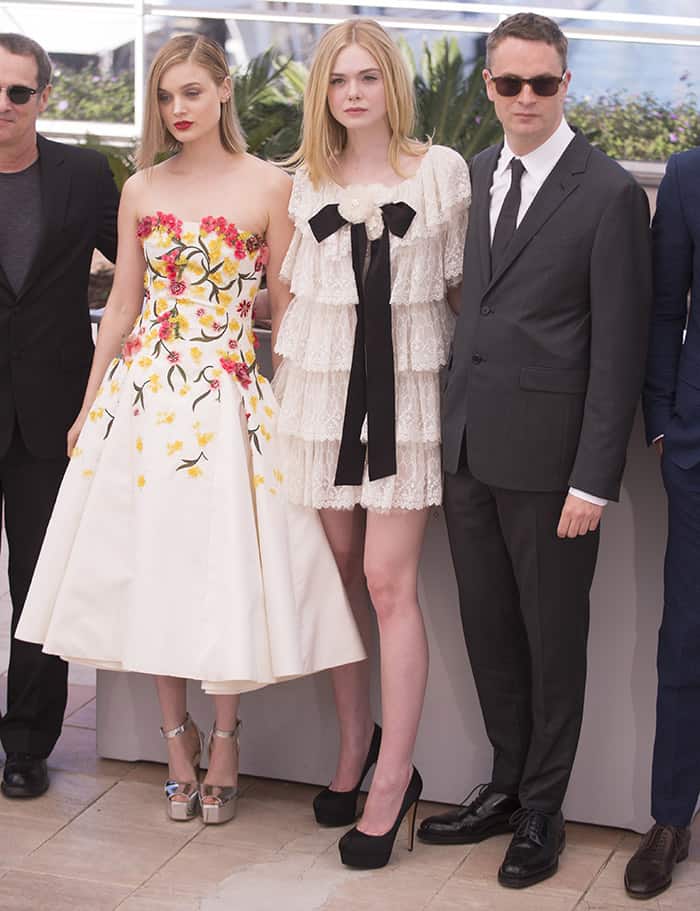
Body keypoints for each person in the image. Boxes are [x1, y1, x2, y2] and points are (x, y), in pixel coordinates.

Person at [15, 33, 364, 824]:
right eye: (166, 98)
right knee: (157, 567)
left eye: (191, 94)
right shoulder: (140, 186)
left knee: (224, 569)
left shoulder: (270, 187)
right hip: (142, 402)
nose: (177, 110)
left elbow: (290, 306)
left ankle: (229, 737)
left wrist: (285, 389)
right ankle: (177, 742)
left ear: (224, 93)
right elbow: (125, 307)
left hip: (234, 399)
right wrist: (88, 402)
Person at [419, 12, 652, 888]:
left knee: (555, 644)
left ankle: (544, 810)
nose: (524, 97)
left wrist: (594, 476)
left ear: (566, 85)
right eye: (509, 83)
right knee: (490, 634)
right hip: (470, 452)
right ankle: (507, 785)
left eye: (542, 83)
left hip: (557, 472)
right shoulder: (477, 175)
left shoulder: (609, 194)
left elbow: (621, 348)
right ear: (488, 86)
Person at [274, 17, 470, 868]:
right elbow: (297, 307)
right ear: (325, 94)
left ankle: (394, 781)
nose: (354, 93)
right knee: (335, 573)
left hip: (408, 396)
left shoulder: (442, 172)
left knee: (389, 581)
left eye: (367, 77)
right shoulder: (304, 181)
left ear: (393, 83)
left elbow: (464, 291)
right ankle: (354, 746)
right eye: (339, 81)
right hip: (321, 399)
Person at [0, 33, 119, 799]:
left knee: (39, 580)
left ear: (44, 97)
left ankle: (26, 744)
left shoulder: (84, 174)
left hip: (51, 413)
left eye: (17, 92)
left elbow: (145, 268)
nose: (2, 106)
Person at [626, 147, 700, 899]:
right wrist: (663, 422)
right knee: (685, 639)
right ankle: (671, 818)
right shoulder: (688, 174)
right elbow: (663, 305)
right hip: (697, 451)